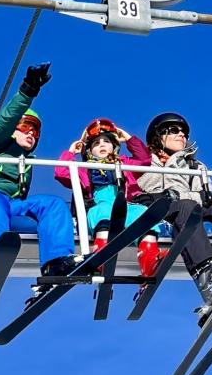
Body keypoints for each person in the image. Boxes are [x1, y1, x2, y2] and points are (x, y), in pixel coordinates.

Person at [0, 63, 78, 314]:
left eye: (36, 130)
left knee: (52, 204)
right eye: (25, 127)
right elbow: (6, 120)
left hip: (9, 203)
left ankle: (55, 263)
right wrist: (28, 90)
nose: (32, 133)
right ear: (14, 129)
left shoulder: (28, 161)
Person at [136, 112, 212, 310]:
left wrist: (186, 194)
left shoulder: (195, 165)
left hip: (193, 206)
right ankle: (206, 273)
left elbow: (208, 196)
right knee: (187, 207)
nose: (181, 135)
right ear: (158, 136)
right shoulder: (144, 163)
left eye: (184, 132)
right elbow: (143, 190)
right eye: (174, 130)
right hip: (164, 210)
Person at [54, 118, 164, 277]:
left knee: (143, 213)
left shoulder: (124, 164)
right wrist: (71, 152)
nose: (102, 145)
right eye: (96, 144)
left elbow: (144, 160)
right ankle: (101, 255)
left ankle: (150, 260)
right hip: (99, 207)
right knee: (104, 210)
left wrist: (127, 138)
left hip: (125, 205)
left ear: (115, 146)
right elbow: (61, 173)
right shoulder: (84, 169)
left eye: (106, 141)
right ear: (89, 151)